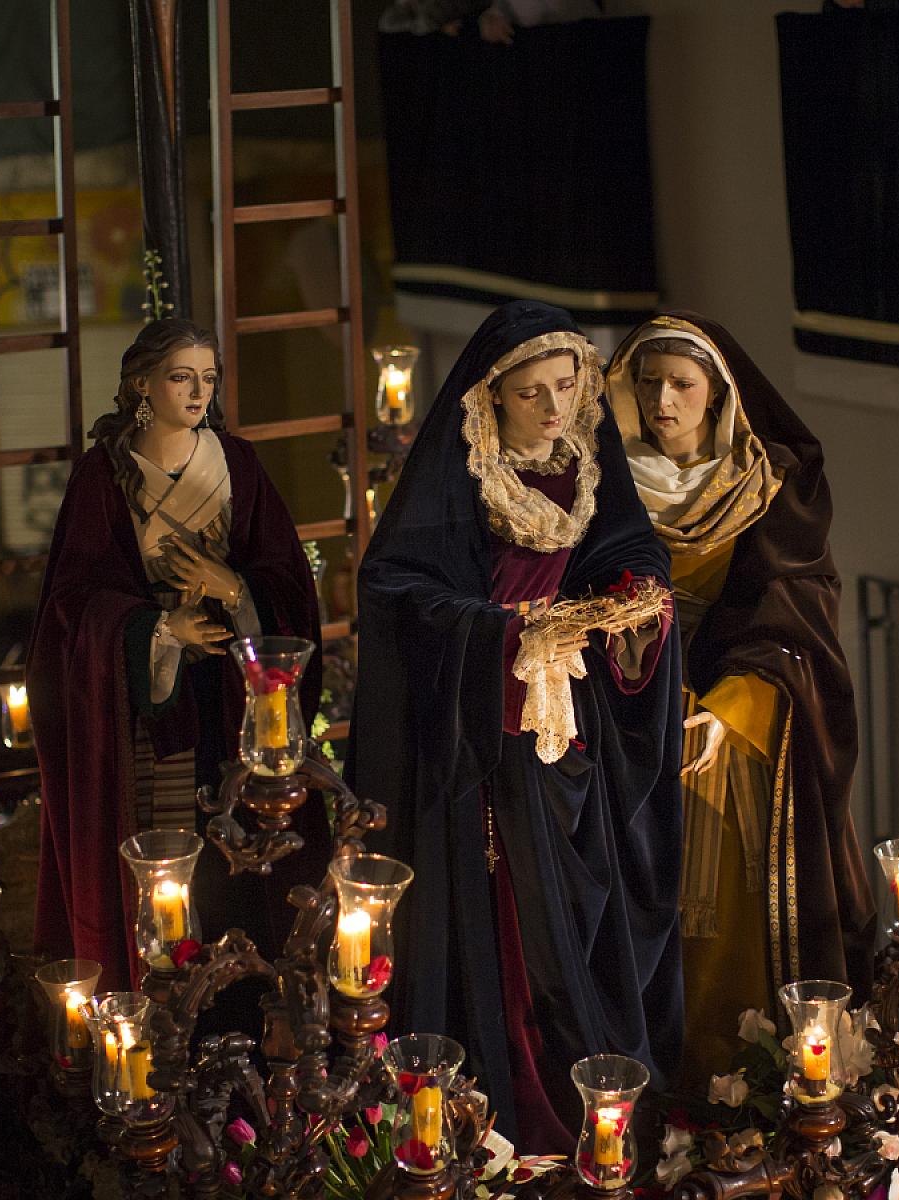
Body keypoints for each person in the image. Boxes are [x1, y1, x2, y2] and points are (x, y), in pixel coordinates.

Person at [350, 301, 683, 1151]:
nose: (554, 407)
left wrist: (632, 605)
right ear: (491, 395)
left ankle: (589, 1096)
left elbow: (630, 553)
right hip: (486, 733)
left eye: (566, 386)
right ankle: (503, 1107)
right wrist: (502, 634)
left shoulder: (587, 465)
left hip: (570, 725)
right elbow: (395, 588)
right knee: (510, 910)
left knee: (576, 901)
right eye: (532, 392)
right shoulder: (462, 474)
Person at [604, 313, 875, 1088]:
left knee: (727, 919)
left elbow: (797, 618)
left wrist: (732, 707)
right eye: (649, 382)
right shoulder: (605, 486)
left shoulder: (769, 487)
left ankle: (736, 1086)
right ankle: (648, 1089)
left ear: (719, 393)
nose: (663, 401)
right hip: (629, 715)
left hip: (732, 724)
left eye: (681, 384)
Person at [29, 319, 322, 988]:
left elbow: (287, 579)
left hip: (235, 694)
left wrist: (233, 587)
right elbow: (72, 603)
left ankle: (251, 994)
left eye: (208, 379)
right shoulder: (102, 477)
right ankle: (171, 998)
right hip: (151, 703)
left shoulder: (237, 464)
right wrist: (158, 631)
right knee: (170, 863)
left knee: (242, 850)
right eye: (181, 377)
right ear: (142, 384)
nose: (198, 393)